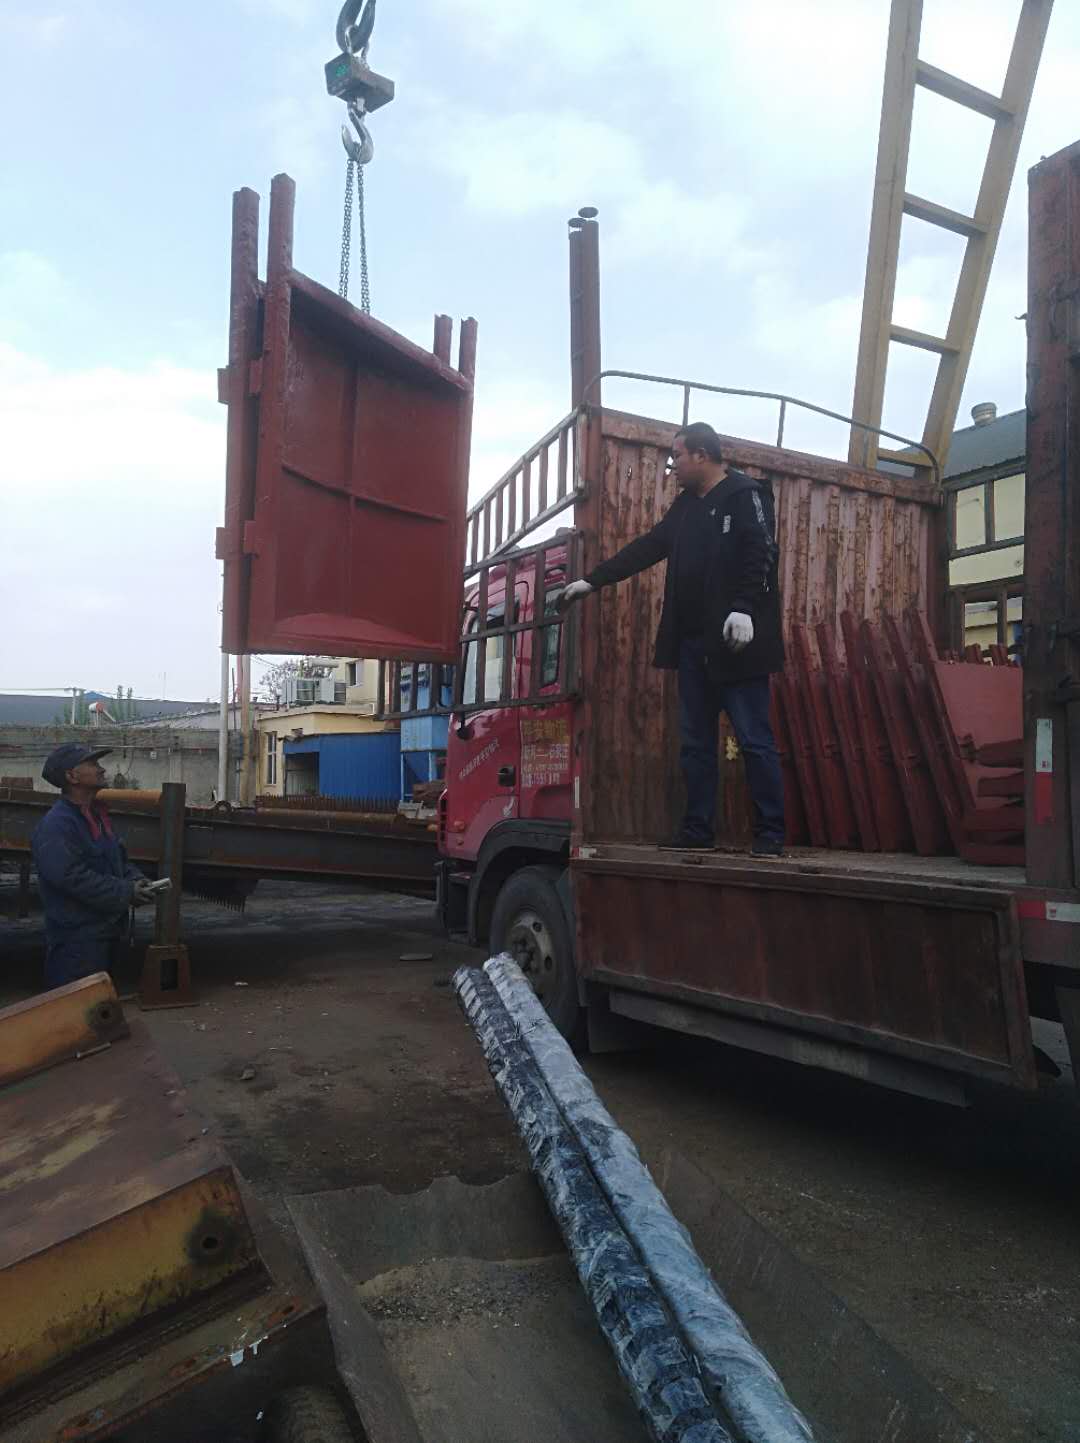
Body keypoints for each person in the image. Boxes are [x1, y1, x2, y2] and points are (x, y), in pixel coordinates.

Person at [561, 421, 786, 855]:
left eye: (677, 456)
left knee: (754, 740)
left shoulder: (745, 495)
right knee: (696, 744)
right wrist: (592, 581)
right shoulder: (686, 507)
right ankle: (697, 831)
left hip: (738, 645)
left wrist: (744, 607)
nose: (672, 466)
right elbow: (648, 547)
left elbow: (762, 551)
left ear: (702, 454)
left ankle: (771, 833)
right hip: (694, 647)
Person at [31, 743, 155, 988]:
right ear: (72, 776)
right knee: (77, 1007)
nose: (101, 769)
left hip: (102, 934)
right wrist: (125, 892)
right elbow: (71, 877)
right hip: (76, 942)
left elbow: (118, 860)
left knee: (98, 1004)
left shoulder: (95, 816)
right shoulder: (57, 825)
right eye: (92, 764)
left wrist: (136, 880)